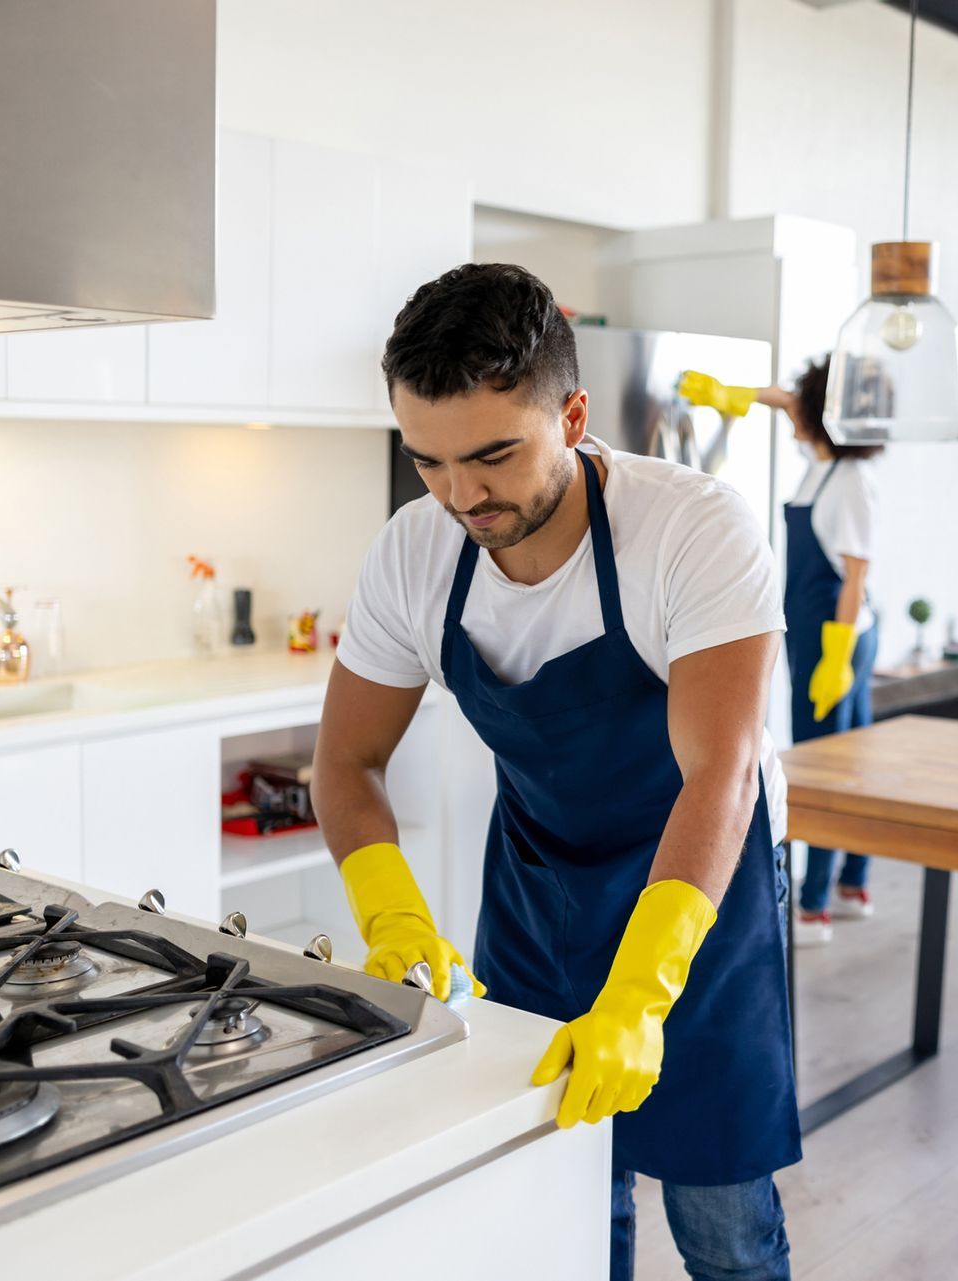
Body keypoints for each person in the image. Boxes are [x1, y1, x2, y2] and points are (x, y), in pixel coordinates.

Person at [314, 264, 797, 1281]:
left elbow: (723, 776)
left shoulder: (692, 531)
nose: (462, 496)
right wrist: (392, 918)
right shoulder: (413, 555)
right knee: (561, 1202)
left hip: (695, 903)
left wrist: (640, 995)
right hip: (538, 895)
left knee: (722, 1223)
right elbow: (347, 763)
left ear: (573, 416)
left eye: (494, 456)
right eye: (429, 463)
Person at [680, 361, 881, 947]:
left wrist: (837, 656)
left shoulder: (848, 484)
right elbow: (794, 399)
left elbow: (855, 579)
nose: (791, 416)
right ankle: (852, 884)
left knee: (826, 767)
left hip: (836, 633)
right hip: (822, 629)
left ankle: (815, 904)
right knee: (849, 758)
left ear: (825, 420)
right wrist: (736, 393)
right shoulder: (825, 467)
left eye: (802, 413)